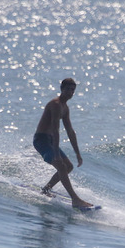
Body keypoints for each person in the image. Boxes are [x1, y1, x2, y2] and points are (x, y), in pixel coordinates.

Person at [33, 77, 92, 208]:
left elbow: (70, 131)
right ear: (61, 89)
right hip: (41, 140)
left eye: (73, 90)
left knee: (69, 166)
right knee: (61, 166)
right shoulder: (55, 104)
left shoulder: (65, 108)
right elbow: (55, 130)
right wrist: (56, 154)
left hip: (50, 140)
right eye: (68, 89)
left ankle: (46, 189)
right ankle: (75, 199)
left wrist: (78, 154)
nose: (71, 92)